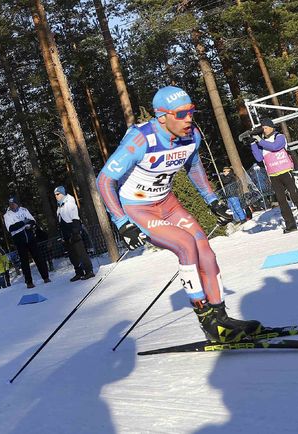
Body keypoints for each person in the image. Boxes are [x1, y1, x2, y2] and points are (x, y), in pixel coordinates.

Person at [96, 86, 261, 343]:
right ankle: (207, 322)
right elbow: (105, 180)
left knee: (203, 246)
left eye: (191, 111)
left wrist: (213, 201)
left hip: (168, 203)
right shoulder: (141, 139)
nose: (189, 119)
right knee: (185, 244)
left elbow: (194, 166)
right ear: (162, 116)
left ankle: (221, 316)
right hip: (139, 209)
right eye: (181, 113)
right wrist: (122, 223)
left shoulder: (191, 135)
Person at [249, 118, 298, 233]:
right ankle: (290, 225)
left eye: (266, 127)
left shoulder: (279, 136)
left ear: (272, 127)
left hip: (285, 171)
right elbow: (259, 158)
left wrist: (259, 140)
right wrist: (253, 142)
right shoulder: (262, 142)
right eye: (263, 128)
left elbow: (275, 147)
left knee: (294, 196)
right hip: (273, 175)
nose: (265, 130)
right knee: (281, 201)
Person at [3, 197, 50, 288]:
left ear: (17, 203)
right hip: (19, 238)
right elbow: (10, 228)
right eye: (10, 204)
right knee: (24, 261)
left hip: (30, 236)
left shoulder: (24, 210)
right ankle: (29, 282)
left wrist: (30, 224)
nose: (12, 205)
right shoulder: (7, 215)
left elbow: (32, 220)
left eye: (13, 203)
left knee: (38, 257)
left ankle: (46, 277)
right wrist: (23, 223)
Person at [54, 186, 95, 281]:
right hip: (65, 232)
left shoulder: (69, 203)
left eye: (58, 194)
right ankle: (79, 272)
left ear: (63, 193)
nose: (56, 196)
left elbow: (75, 218)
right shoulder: (60, 206)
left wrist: (76, 232)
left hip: (73, 230)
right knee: (72, 255)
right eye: (55, 195)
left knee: (81, 252)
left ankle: (89, 271)